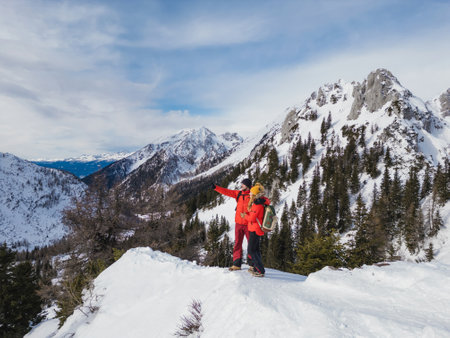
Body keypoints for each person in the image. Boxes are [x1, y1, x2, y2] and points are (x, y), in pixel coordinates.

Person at [212, 178, 253, 271]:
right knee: (237, 243)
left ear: (248, 186)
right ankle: (236, 264)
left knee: (251, 244)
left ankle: (253, 264)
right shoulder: (238, 194)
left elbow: (264, 201)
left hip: (249, 223)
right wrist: (215, 187)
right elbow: (227, 192)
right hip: (238, 223)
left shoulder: (252, 196)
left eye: (243, 185)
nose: (241, 186)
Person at [245, 183, 270, 277]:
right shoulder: (260, 202)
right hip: (256, 229)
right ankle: (257, 268)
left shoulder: (257, 204)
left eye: (251, 193)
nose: (250, 194)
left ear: (255, 195)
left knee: (251, 250)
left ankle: (260, 270)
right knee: (256, 250)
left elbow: (252, 218)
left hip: (255, 229)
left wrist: (245, 216)